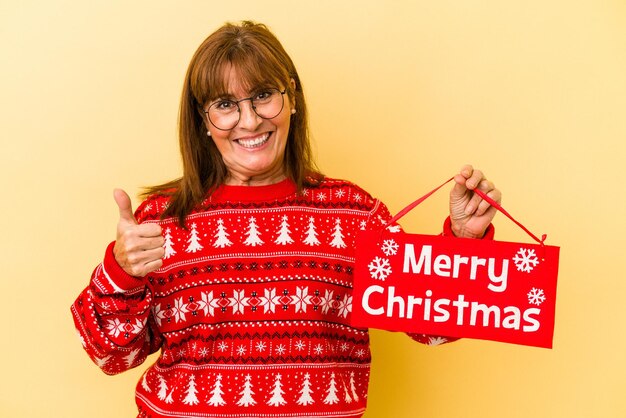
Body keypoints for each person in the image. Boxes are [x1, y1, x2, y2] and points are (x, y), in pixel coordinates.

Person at [71, 21, 501, 418]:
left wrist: (464, 240)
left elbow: (433, 328)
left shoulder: (353, 214)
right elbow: (111, 355)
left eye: (263, 95)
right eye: (225, 104)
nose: (250, 120)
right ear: (204, 120)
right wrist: (120, 273)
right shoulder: (160, 220)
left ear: (290, 97)